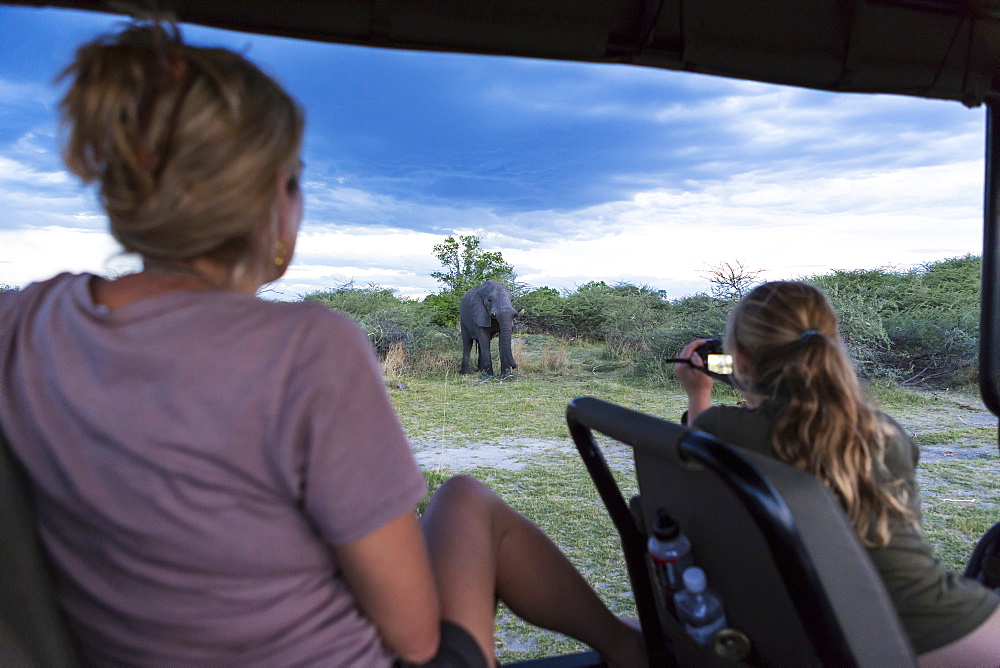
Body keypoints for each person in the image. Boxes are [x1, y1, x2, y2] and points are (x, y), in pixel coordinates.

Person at [0, 22, 644, 667]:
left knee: (459, 499)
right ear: (276, 199)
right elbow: (416, 637)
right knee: (467, 501)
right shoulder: (310, 346)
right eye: (295, 181)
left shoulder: (26, 321)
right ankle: (633, 647)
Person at [673, 280, 1000, 666]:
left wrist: (698, 392)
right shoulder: (886, 433)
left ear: (740, 359)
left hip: (819, 632)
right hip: (939, 627)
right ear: (831, 345)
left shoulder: (723, 429)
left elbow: (699, 449)